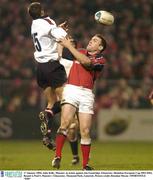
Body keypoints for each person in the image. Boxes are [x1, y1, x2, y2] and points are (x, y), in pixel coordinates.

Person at [52, 34, 107, 170]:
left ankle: (85, 165)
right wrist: (61, 40)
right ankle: (57, 156)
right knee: (65, 123)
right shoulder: (79, 51)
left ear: (100, 47)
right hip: (71, 89)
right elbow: (59, 57)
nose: (91, 40)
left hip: (87, 94)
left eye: (95, 40)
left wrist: (69, 46)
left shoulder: (100, 59)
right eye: (91, 38)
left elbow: (87, 63)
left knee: (85, 130)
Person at [28, 2, 68, 150]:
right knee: (66, 100)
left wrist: (56, 29)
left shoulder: (34, 24)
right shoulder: (48, 21)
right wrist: (61, 31)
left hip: (40, 68)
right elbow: (60, 36)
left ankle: (47, 135)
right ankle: (49, 116)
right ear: (42, 11)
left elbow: (48, 34)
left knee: (51, 102)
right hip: (52, 65)